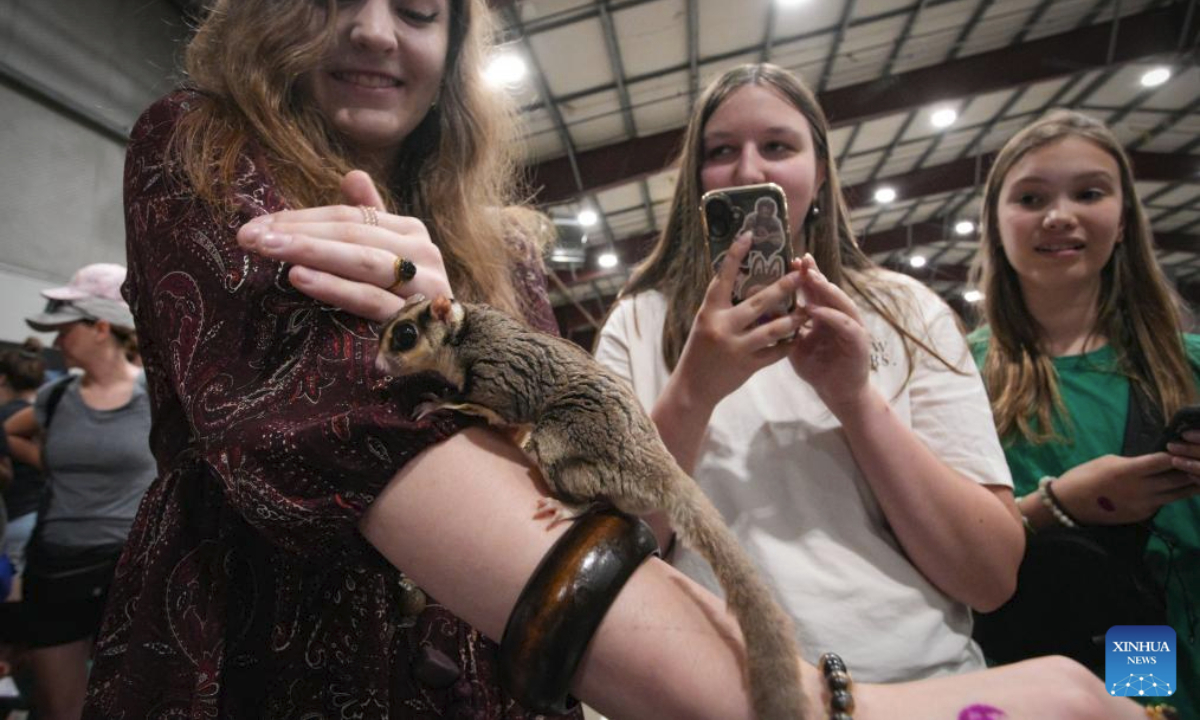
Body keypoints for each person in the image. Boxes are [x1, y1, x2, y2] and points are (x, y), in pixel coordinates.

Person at [90, 0, 1150, 715]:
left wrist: (855, 396)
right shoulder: (202, 148)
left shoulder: (504, 245)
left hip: (566, 671)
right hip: (279, 669)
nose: (373, 31)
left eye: (419, 7)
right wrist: (697, 383)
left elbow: (564, 482)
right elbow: (369, 430)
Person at [593, 62, 1024, 683]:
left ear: (819, 173)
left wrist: (854, 398)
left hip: (919, 683)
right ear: (697, 182)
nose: (748, 171)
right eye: (721, 151)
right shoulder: (639, 323)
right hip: (716, 691)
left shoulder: (908, 312)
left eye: (777, 146)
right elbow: (612, 551)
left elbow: (988, 577)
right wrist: (693, 393)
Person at [968, 109, 1200, 719]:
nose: (1059, 214)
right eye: (1032, 197)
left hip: (1156, 643)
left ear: (1123, 220)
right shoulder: (953, 374)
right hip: (1017, 670)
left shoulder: (1189, 366)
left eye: (1089, 193)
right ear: (996, 224)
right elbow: (941, 548)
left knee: (1145, 706)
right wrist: (1062, 505)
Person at [2, 263, 153, 720]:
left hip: (129, 569)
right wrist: (51, 464)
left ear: (101, 328)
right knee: (58, 708)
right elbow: (10, 433)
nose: (56, 342)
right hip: (57, 565)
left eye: (65, 330)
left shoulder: (155, 397)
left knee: (133, 702)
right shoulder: (55, 397)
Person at [0, 338, 48, 581]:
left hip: (15, 515)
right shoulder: (54, 411)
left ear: (2, 378)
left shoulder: (5, 417)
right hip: (41, 515)